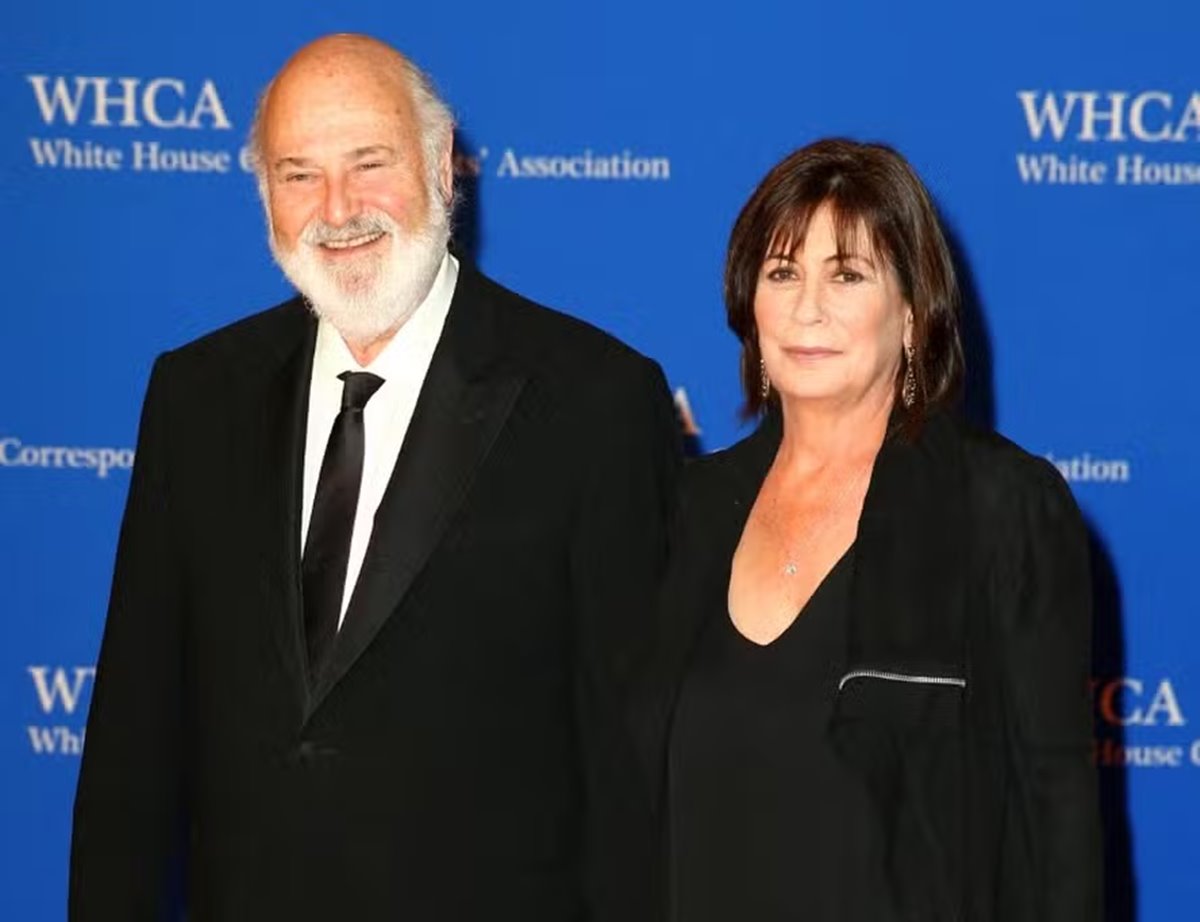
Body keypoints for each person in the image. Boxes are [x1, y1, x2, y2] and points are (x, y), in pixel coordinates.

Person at [69, 33, 679, 922]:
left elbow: (633, 766)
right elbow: (131, 740)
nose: (338, 208)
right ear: (264, 194)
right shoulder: (196, 396)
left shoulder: (594, 400)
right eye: (299, 174)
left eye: (368, 162)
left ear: (440, 164)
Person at [632, 139, 1102, 921]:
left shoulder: (1000, 505)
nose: (807, 308)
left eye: (847, 275)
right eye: (783, 273)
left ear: (913, 314)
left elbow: (1057, 814)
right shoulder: (688, 508)